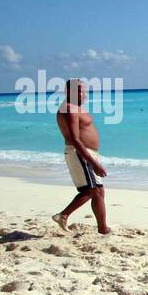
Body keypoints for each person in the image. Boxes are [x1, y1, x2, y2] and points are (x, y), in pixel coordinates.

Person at [52, 79, 110, 233]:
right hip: (80, 153)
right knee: (94, 191)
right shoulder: (70, 109)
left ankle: (64, 216)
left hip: (86, 153)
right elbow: (75, 139)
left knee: (96, 191)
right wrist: (93, 162)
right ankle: (102, 229)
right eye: (80, 90)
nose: (84, 94)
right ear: (69, 92)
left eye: (85, 90)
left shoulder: (75, 108)